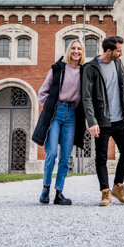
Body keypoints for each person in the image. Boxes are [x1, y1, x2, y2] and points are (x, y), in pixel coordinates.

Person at [81, 35, 124, 206]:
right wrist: (92, 121)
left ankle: (118, 186)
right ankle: (105, 192)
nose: (121, 54)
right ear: (109, 51)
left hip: (120, 119)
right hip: (102, 121)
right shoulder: (90, 68)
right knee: (101, 157)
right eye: (119, 51)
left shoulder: (118, 64)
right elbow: (86, 98)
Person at [31, 39, 87, 205]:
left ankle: (59, 193)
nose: (76, 51)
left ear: (82, 52)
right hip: (56, 112)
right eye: (73, 48)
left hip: (72, 115)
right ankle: (46, 188)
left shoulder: (84, 71)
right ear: (69, 50)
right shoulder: (57, 68)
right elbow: (42, 92)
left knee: (65, 157)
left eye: (79, 49)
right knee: (52, 153)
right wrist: (50, 107)